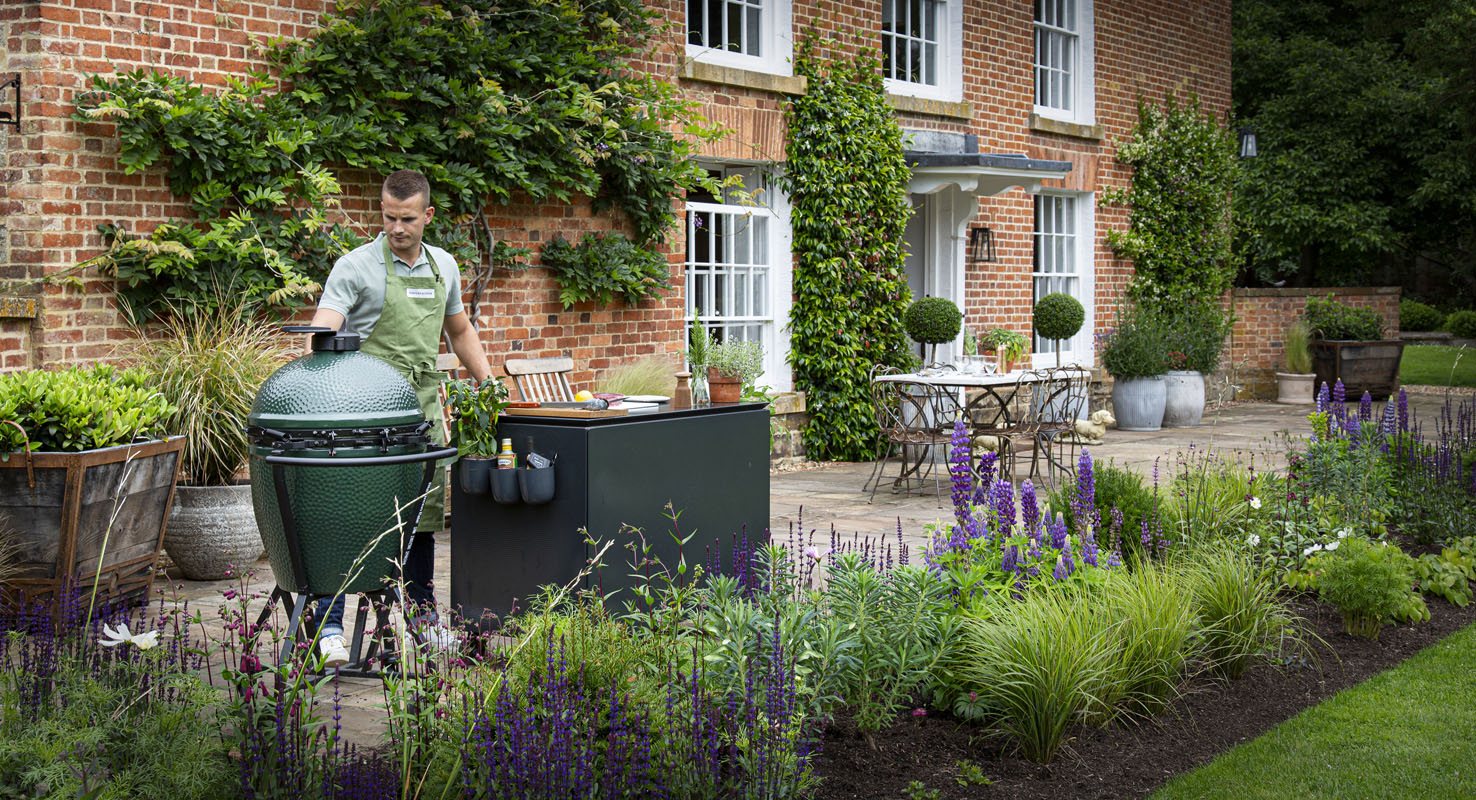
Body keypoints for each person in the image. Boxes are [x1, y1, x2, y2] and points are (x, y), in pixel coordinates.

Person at [306, 169, 492, 668]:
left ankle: (425, 623)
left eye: (407, 218)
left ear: (427, 216)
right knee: (346, 520)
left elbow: (459, 330)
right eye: (388, 217)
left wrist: (488, 382)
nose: (396, 227)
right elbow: (323, 332)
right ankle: (327, 631)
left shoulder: (444, 267)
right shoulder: (356, 267)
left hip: (421, 412)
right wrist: (324, 347)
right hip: (364, 411)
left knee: (422, 523)